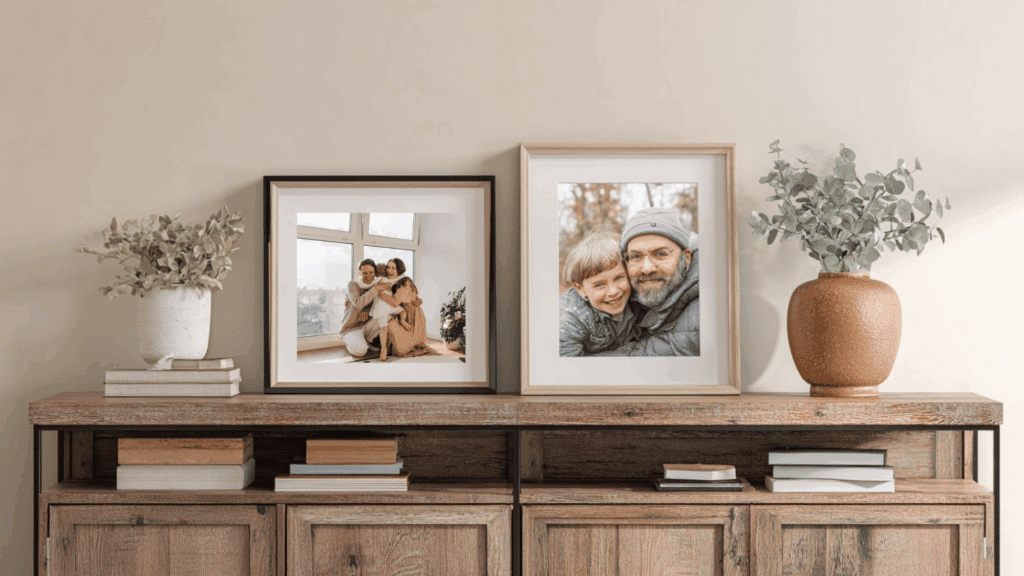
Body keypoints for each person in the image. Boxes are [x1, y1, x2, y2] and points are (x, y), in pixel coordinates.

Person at [598, 207, 699, 357]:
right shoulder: (624, 287)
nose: (646, 268)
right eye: (636, 256)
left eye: (660, 254)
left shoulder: (700, 317)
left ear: (686, 258)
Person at [558, 232, 637, 356]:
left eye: (619, 278)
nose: (613, 291)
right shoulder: (570, 320)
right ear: (581, 289)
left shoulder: (636, 297)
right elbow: (567, 366)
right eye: (599, 285)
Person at [338, 258, 393, 357]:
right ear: (360, 273)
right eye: (364, 273)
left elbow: (379, 304)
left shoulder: (377, 285)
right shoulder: (352, 285)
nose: (368, 276)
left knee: (388, 314)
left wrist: (367, 310)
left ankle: (367, 341)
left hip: (366, 325)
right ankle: (349, 341)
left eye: (371, 272)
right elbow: (358, 303)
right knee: (361, 351)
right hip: (351, 328)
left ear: (375, 273)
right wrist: (376, 288)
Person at [378, 276, 430, 361]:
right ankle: (404, 345)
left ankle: (416, 343)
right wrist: (380, 293)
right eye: (403, 285)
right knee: (395, 328)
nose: (405, 287)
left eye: (408, 285)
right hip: (405, 315)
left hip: (417, 315)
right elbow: (395, 303)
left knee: (417, 330)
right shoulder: (399, 293)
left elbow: (419, 300)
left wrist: (419, 301)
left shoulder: (413, 292)